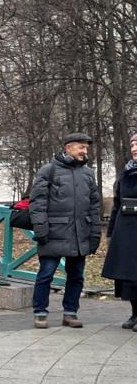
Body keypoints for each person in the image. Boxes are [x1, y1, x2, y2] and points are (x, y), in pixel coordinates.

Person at [28, 132, 102, 329]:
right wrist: (41, 229)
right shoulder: (48, 170)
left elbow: (94, 206)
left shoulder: (88, 174)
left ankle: (70, 312)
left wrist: (95, 233)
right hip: (53, 233)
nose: (84, 151)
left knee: (76, 275)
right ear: (68, 147)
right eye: (81, 147)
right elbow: (37, 203)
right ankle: (40, 312)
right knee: (46, 274)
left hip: (80, 233)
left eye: (86, 148)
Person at [102, 132, 137, 329]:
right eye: (132, 144)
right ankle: (134, 313)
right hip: (125, 230)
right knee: (128, 275)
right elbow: (117, 203)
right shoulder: (125, 173)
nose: (134, 148)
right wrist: (111, 232)